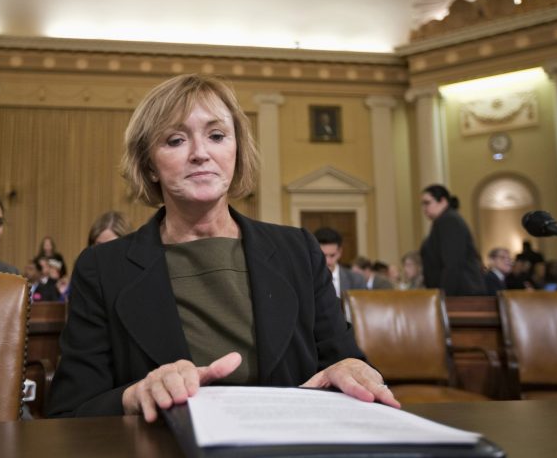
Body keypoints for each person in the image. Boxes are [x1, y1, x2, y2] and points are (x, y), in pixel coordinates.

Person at [47, 74, 398, 421]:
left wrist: (353, 369)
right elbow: (71, 410)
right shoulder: (103, 267)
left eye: (216, 136)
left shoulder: (298, 250)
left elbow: (341, 360)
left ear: (236, 150)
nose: (201, 153)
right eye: (175, 140)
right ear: (149, 165)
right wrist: (135, 395)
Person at [419, 184, 486, 296]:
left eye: (427, 203)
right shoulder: (444, 221)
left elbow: (452, 262)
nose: (424, 208)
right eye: (423, 204)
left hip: (460, 293)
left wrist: (445, 295)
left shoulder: (449, 221)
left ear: (443, 201)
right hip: (458, 292)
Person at [313, 227, 366, 297]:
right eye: (323, 256)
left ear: (339, 252)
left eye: (332, 255)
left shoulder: (356, 280)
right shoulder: (306, 280)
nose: (328, 261)